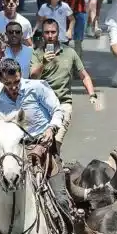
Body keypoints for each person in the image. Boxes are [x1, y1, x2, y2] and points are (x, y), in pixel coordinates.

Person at [0, 59, 64, 234]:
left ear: (20, 75)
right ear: (1, 80)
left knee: (61, 197)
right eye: (8, 83)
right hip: (7, 150)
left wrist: (51, 128)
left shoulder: (38, 88)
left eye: (16, 81)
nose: (13, 87)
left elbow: (57, 110)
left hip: (38, 148)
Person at [30, 18, 98, 150]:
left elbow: (84, 76)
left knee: (55, 142)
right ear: (43, 34)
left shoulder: (69, 52)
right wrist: (43, 62)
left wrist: (92, 95)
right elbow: (33, 76)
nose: (50, 36)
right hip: (41, 104)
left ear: (58, 32)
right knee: (39, 142)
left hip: (63, 104)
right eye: (47, 32)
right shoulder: (37, 53)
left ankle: (56, 167)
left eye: (53, 32)